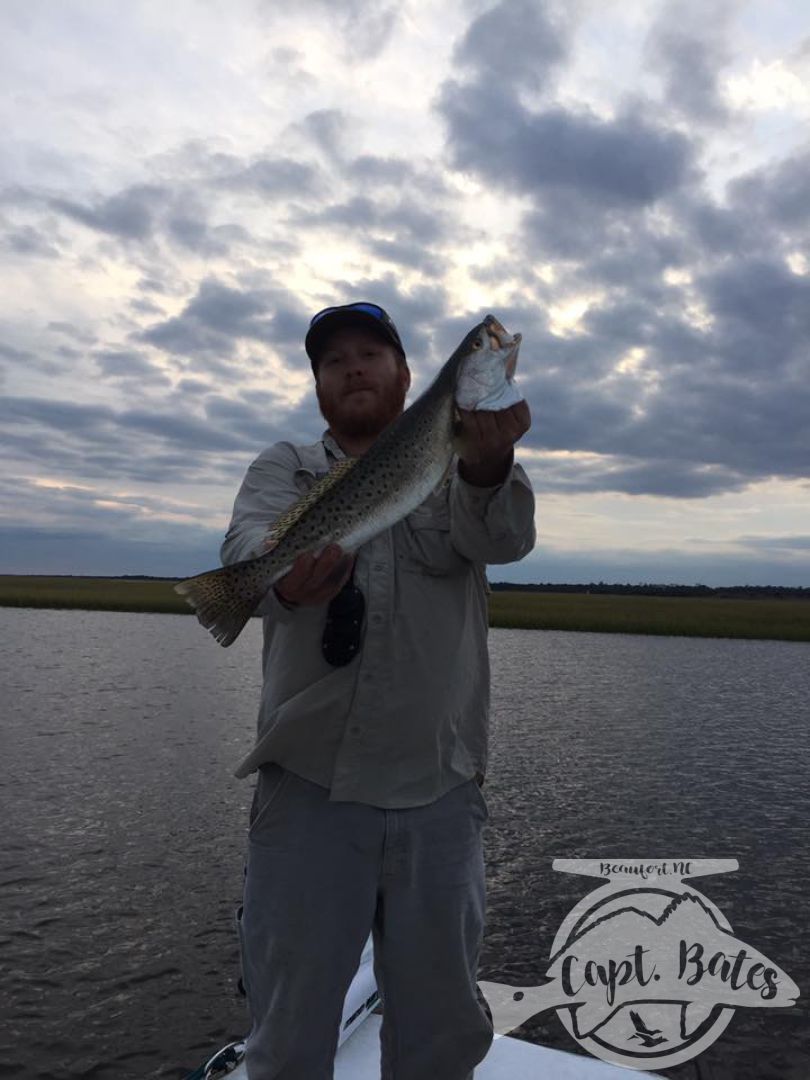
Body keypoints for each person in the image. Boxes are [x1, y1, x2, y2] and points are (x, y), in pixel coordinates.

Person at [221, 301, 535, 1079]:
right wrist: (283, 583)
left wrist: (490, 465)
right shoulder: (286, 466)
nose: (352, 367)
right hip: (307, 795)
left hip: (441, 791)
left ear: (406, 374)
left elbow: (506, 540)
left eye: (370, 353)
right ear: (319, 385)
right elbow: (246, 551)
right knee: (288, 1032)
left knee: (440, 1036)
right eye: (334, 360)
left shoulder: (462, 454)